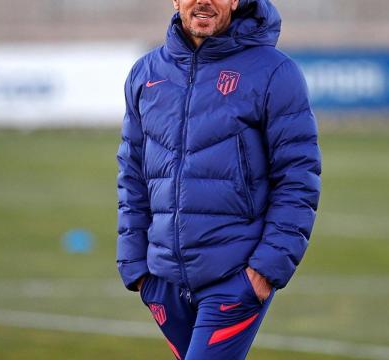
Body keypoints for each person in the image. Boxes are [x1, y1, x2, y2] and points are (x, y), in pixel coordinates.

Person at [116, 0, 321, 358]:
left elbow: (297, 178)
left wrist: (263, 271)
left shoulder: (275, 72)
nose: (204, 1)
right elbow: (132, 175)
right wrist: (136, 268)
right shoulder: (145, 72)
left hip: (234, 278)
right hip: (163, 281)